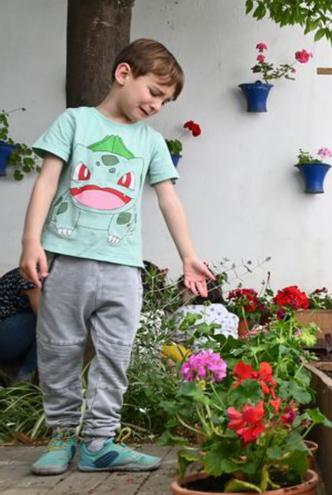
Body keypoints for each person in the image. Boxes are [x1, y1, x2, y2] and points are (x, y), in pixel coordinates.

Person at [19, 39, 214, 475]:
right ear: (124, 74)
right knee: (59, 349)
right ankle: (62, 437)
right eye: (154, 92)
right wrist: (31, 242)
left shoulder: (151, 143)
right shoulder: (75, 123)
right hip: (65, 260)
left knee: (114, 353)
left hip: (123, 268)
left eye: (166, 100)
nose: (158, 105)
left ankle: (99, 443)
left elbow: (169, 201)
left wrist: (189, 255)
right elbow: (47, 183)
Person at [0, 268, 39, 382]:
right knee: (50, 324)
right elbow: (46, 318)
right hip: (5, 336)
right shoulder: (34, 275)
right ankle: (24, 380)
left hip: (11, 334)